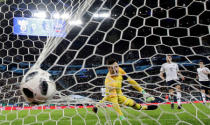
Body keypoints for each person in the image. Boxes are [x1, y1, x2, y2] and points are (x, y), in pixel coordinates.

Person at [92, 58, 157, 120]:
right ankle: (98, 106)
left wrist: (143, 91)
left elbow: (131, 81)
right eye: (113, 68)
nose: (116, 69)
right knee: (117, 102)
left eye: (116, 66)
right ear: (109, 68)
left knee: (134, 103)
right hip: (113, 97)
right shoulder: (109, 81)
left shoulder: (120, 70)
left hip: (120, 95)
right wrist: (121, 116)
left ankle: (145, 107)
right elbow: (114, 102)